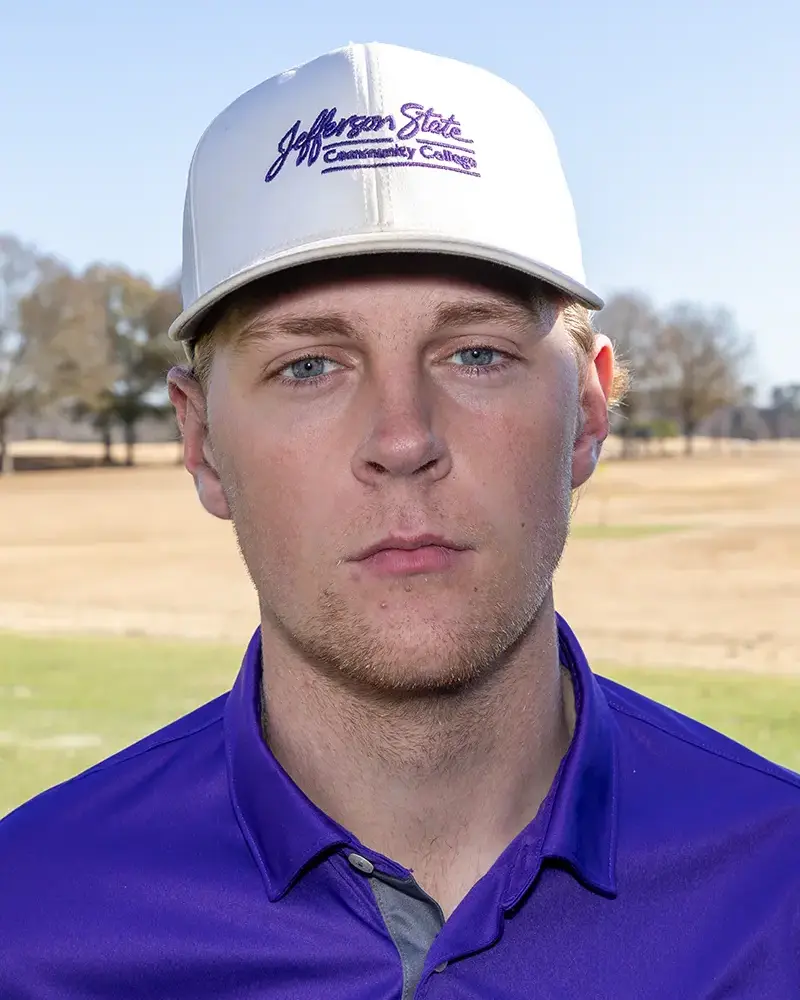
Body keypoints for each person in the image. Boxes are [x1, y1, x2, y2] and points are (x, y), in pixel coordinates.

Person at [0, 41, 797, 999]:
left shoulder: (777, 891)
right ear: (203, 441)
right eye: (308, 366)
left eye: (475, 354)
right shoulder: (30, 923)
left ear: (586, 414)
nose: (404, 438)